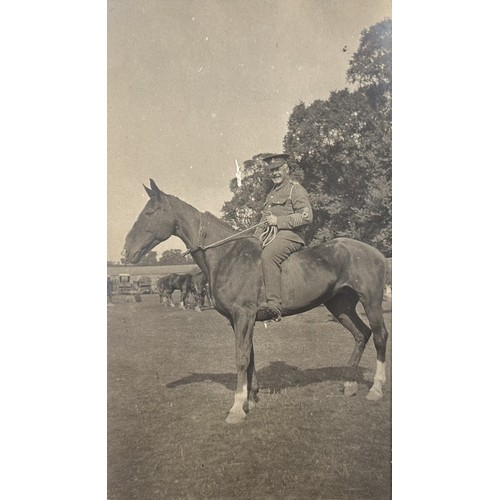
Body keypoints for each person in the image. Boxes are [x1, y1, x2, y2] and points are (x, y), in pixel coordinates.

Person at [254, 153, 313, 321]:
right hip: (272, 236)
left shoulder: (295, 189)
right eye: (271, 170)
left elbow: (306, 216)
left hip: (291, 235)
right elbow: (264, 221)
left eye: (278, 169)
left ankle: (274, 305)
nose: (275, 173)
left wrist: (278, 221)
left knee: (269, 255)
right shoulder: (271, 193)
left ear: (286, 169)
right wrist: (253, 240)